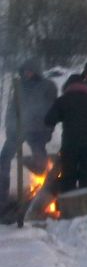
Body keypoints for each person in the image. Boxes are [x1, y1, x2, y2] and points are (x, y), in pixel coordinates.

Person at [1, 59, 59, 205]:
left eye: (30, 71)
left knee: (41, 162)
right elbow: (11, 108)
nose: (27, 74)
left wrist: (48, 129)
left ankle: (46, 194)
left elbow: (52, 109)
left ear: (36, 71)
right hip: (18, 129)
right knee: (4, 158)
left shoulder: (48, 86)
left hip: (37, 130)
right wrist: (10, 126)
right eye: (25, 71)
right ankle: (2, 194)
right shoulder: (19, 86)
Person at [44, 73, 87, 196]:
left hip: (69, 145)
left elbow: (49, 120)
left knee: (68, 177)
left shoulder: (62, 101)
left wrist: (63, 115)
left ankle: (68, 208)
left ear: (68, 86)